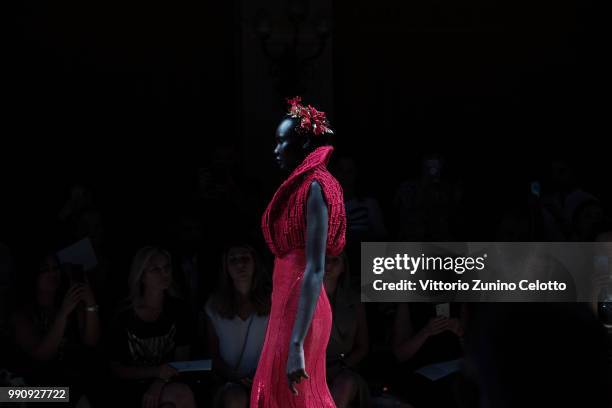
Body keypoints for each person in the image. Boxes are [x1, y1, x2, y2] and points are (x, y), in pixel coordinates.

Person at [250, 96, 346, 407]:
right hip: (288, 304)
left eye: (282, 143)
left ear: (302, 145)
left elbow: (316, 268)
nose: (276, 151)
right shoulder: (305, 185)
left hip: (300, 307)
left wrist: (296, 345)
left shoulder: (316, 187)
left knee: (290, 398)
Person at [109, 246, 196, 408]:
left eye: (166, 268)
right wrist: (155, 372)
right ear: (141, 275)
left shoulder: (179, 310)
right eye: (155, 269)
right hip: (132, 385)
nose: (164, 273)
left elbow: (181, 358)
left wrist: (159, 381)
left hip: (170, 383)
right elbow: (117, 368)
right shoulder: (124, 316)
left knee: (178, 396)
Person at [12, 253, 102, 407]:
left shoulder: (70, 300)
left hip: (70, 382)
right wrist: (63, 314)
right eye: (45, 269)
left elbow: (91, 341)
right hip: (28, 389)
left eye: (55, 268)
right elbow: (41, 355)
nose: (53, 273)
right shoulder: (21, 314)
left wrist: (90, 301)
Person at [205, 243, 270, 408]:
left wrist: (260, 375)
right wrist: (231, 375)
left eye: (245, 258)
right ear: (225, 267)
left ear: (255, 263)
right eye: (233, 260)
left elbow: (277, 347)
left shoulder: (271, 301)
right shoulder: (215, 305)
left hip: (264, 377)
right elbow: (213, 352)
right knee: (235, 398)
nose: (240, 264)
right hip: (228, 380)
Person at [324, 252, 370, 407]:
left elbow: (362, 347)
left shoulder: (354, 300)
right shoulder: (302, 297)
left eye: (334, 260)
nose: (328, 265)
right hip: (309, 370)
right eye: (324, 259)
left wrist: (343, 365)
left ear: (344, 266)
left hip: (342, 368)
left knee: (345, 384)